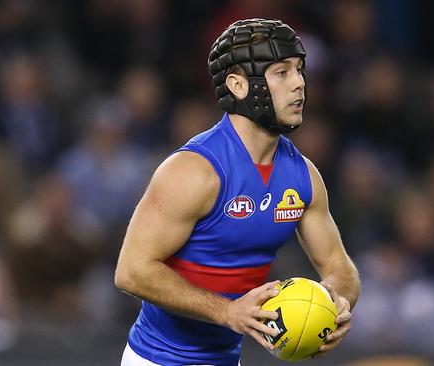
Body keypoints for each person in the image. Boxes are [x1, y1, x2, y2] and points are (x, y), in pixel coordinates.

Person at [115, 18, 360, 365]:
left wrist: (334, 302)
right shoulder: (194, 171)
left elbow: (340, 267)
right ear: (238, 85)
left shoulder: (303, 176)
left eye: (300, 71)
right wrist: (226, 311)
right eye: (282, 72)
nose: (300, 84)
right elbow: (131, 270)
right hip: (158, 360)